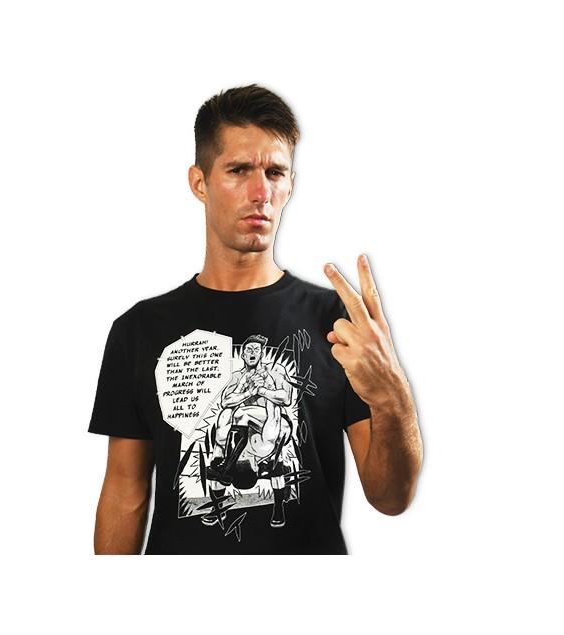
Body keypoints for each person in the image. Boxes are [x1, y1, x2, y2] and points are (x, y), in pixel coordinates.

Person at [88, 84, 423, 554]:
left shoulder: (339, 324)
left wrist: (393, 395)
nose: (261, 192)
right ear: (199, 182)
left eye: (275, 172)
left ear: (290, 185)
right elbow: (125, 494)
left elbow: (391, 498)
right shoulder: (139, 330)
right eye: (239, 170)